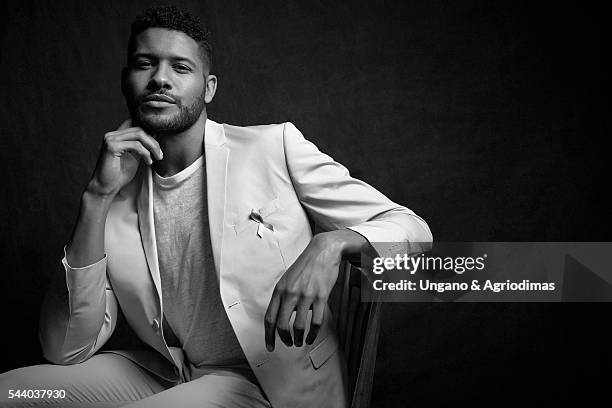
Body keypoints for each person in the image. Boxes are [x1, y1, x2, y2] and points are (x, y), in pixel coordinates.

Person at [0, 5, 432, 408]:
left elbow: (413, 229)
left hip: (269, 384)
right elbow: (67, 347)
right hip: (177, 372)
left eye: (180, 67)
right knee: (17, 391)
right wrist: (96, 198)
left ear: (208, 89)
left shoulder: (273, 147)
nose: (160, 79)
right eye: (145, 63)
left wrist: (333, 244)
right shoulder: (115, 194)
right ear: (126, 79)